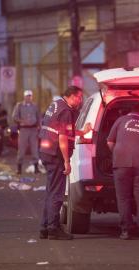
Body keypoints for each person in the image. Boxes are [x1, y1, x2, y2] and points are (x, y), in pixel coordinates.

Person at [38, 86, 92, 240]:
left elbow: (65, 130)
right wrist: (67, 162)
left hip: (46, 152)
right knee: (57, 194)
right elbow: (62, 138)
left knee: (50, 191)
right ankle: (53, 229)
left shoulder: (56, 105)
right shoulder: (66, 111)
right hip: (56, 155)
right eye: (79, 97)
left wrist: (83, 132)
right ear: (72, 96)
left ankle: (45, 228)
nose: (80, 100)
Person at [107, 103, 139, 241]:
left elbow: (109, 141)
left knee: (123, 198)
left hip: (121, 163)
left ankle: (126, 231)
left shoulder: (121, 120)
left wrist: (117, 153)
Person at [12, 90, 41, 174]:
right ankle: (19, 168)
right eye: (27, 96)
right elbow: (14, 116)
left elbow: (38, 117)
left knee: (34, 149)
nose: (28, 97)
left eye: (30, 96)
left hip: (33, 130)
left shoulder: (35, 106)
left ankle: (36, 168)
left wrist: (40, 127)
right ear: (24, 97)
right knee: (21, 149)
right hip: (23, 130)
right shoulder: (19, 106)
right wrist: (21, 121)